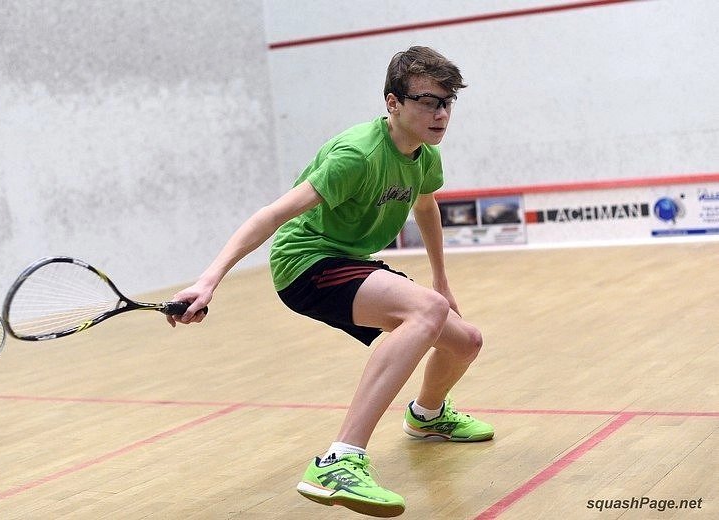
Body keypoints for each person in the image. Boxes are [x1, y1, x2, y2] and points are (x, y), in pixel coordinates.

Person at [167, 45, 494, 518]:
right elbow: (272, 215)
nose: (440, 113)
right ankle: (339, 461)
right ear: (393, 103)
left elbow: (425, 206)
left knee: (466, 341)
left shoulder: (424, 156)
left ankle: (427, 416)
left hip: (350, 261)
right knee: (426, 311)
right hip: (305, 262)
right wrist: (208, 281)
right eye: (427, 101)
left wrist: (441, 279)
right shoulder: (356, 155)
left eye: (447, 102)